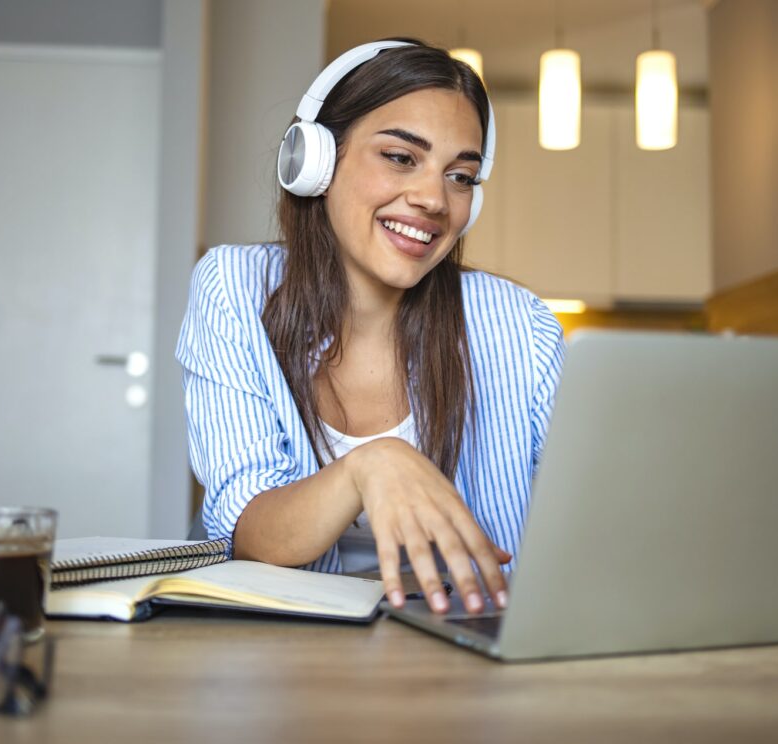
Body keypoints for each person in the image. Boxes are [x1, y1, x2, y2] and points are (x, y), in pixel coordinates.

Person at [177, 39, 564, 615]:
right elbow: (247, 528)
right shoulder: (234, 289)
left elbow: (591, 517)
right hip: (285, 652)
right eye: (401, 158)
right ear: (316, 163)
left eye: (461, 176)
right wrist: (371, 465)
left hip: (468, 648)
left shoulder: (520, 325)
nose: (435, 198)